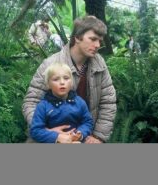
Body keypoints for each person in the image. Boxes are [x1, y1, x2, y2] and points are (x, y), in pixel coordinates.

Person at [23, 15, 117, 143]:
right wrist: (46, 131)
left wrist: (98, 137)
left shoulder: (99, 64)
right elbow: (31, 101)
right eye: (93, 39)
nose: (97, 45)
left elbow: (108, 103)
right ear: (77, 37)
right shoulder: (50, 64)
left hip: (85, 136)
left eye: (100, 41)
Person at [30, 62, 93, 143]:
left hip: (76, 141)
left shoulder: (79, 102)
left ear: (71, 82)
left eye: (66, 78)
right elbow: (35, 131)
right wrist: (57, 137)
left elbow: (87, 122)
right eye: (56, 79)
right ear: (48, 84)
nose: (62, 82)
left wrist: (80, 134)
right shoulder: (43, 106)